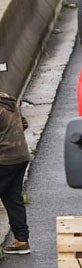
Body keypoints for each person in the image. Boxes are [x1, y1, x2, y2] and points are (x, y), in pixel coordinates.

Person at [0, 93, 29, 255]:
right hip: (20, 156)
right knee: (12, 198)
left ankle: (22, 240)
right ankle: (22, 240)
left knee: (13, 198)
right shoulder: (7, 100)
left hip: (4, 160)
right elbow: (24, 123)